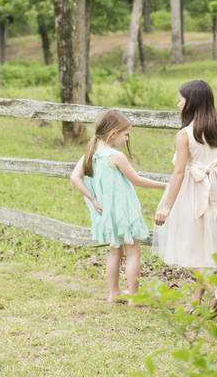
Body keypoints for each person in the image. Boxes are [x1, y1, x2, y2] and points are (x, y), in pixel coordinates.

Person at [153, 80, 217, 310]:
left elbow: (178, 173)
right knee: (204, 244)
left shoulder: (184, 134)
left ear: (192, 102)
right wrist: (212, 163)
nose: (177, 103)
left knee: (187, 244)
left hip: (193, 190)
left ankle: (213, 289)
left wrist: (166, 206)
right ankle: (196, 300)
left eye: (180, 99)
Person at [69, 110, 166, 303]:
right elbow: (137, 180)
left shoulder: (92, 152)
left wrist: (93, 199)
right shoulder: (115, 156)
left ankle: (113, 294)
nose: (127, 138)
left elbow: (74, 177)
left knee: (115, 251)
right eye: (126, 134)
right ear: (113, 133)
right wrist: (165, 185)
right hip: (124, 211)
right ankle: (134, 297)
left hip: (105, 212)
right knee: (133, 251)